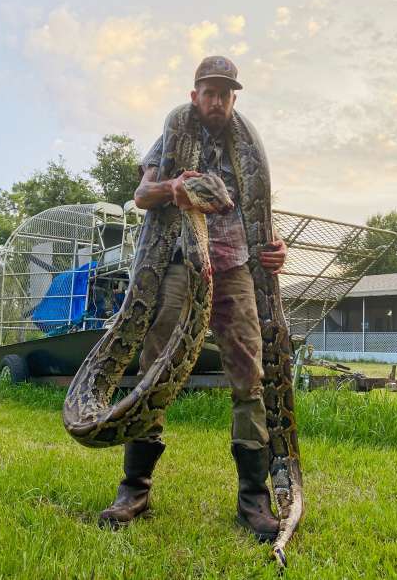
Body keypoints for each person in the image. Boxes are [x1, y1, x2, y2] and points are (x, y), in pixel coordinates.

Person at [98, 55, 288, 543]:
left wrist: (275, 249)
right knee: (155, 366)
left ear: (233, 98)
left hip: (234, 269)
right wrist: (173, 186)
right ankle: (134, 488)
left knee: (249, 376)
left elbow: (260, 213)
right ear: (195, 95)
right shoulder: (172, 133)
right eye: (210, 91)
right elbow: (142, 195)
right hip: (179, 264)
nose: (218, 101)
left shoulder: (248, 147)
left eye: (226, 93)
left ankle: (254, 499)